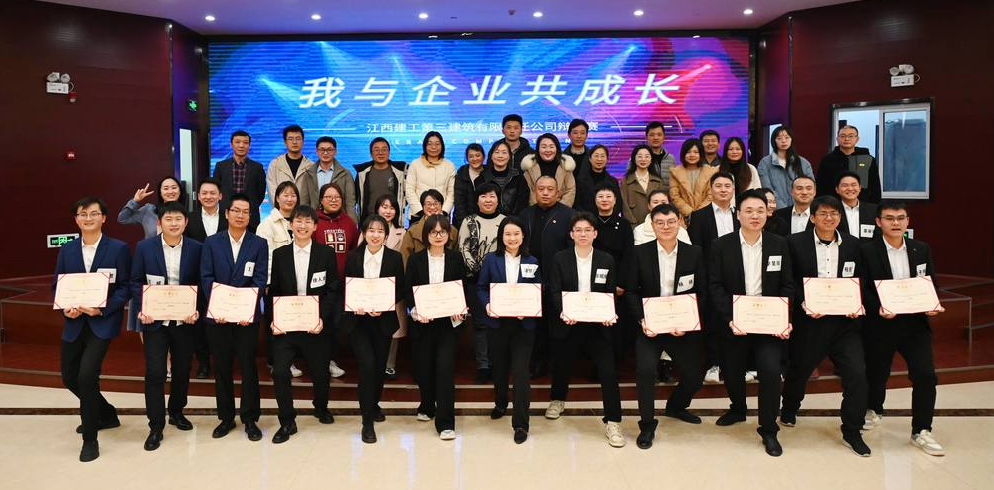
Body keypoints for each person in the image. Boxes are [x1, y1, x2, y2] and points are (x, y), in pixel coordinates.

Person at [781, 196, 871, 456]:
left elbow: (861, 280)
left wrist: (857, 302)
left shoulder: (854, 245)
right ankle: (790, 407)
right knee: (799, 371)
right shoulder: (794, 243)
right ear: (812, 218)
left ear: (840, 218)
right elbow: (789, 280)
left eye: (834, 214)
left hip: (845, 323)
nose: (829, 218)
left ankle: (852, 430)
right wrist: (804, 303)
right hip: (810, 321)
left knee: (857, 375)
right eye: (823, 213)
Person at [709, 189, 794, 457]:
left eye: (760, 211)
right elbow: (715, 286)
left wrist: (784, 317)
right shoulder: (721, 245)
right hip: (735, 322)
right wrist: (731, 318)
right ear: (738, 215)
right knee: (732, 371)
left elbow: (788, 285)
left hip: (768, 323)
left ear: (768, 213)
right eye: (749, 211)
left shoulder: (779, 244)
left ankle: (768, 429)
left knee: (770, 371)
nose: (755, 216)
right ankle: (738, 409)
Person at [860, 201, 946, 456]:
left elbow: (930, 282)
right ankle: (874, 409)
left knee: (925, 375)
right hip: (881, 324)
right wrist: (878, 307)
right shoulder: (867, 251)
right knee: (877, 373)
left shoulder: (921, 249)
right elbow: (863, 288)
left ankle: (922, 430)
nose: (895, 223)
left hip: (915, 325)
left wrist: (932, 304)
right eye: (889, 218)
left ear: (908, 221)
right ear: (879, 222)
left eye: (900, 218)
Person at [626, 203, 708, 449]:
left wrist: (688, 321)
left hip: (681, 326)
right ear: (652, 226)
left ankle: (676, 406)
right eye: (659, 223)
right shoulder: (640, 253)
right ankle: (647, 425)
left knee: (695, 375)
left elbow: (702, 292)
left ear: (679, 223)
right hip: (650, 326)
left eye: (671, 222)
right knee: (645, 372)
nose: (666, 227)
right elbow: (630, 291)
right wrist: (641, 319)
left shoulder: (694, 253)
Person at [55, 197, 130, 462]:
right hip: (74, 323)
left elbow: (125, 287)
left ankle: (90, 439)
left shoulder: (118, 249)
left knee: (87, 377)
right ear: (76, 219)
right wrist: (65, 307)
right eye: (83, 214)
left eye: (94, 213)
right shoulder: (67, 250)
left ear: (103, 218)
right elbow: (58, 284)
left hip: (101, 322)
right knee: (69, 377)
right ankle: (106, 413)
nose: (88, 218)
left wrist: (102, 309)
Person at [546, 212, 625, 448]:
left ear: (595, 233)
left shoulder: (606, 259)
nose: (583, 234)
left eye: (587, 230)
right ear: (571, 234)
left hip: (598, 325)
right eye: (578, 230)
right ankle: (558, 399)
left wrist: (609, 313)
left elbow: (609, 292)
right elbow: (554, 291)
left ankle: (613, 421)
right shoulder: (560, 258)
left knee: (608, 372)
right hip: (569, 321)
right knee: (561, 363)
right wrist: (563, 312)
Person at [130, 202, 202, 452]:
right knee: (155, 373)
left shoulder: (197, 248)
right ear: (160, 223)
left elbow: (201, 283)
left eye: (178, 218)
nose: (174, 223)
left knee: (182, 369)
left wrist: (196, 309)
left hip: (185, 321)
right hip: (155, 322)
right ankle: (155, 425)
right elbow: (136, 281)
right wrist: (143, 307)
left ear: (185, 222)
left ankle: (177, 412)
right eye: (168, 219)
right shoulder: (145, 247)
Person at [268, 205, 340, 444]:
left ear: (315, 226)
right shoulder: (280, 255)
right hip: (287, 326)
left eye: (308, 221)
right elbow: (274, 292)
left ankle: (320, 407)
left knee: (320, 372)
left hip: (315, 325)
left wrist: (322, 319)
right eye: (298, 221)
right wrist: (275, 320)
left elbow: (332, 290)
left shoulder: (325, 254)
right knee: (280, 371)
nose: (302, 225)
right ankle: (287, 421)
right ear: (291, 225)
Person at [200, 193, 268, 442]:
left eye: (245, 211)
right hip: (218, 317)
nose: (241, 215)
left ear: (250, 216)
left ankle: (250, 418)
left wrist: (245, 308)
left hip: (246, 318)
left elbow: (260, 279)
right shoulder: (212, 243)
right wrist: (219, 306)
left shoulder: (259, 243)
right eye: (236, 210)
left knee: (248, 366)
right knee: (222, 367)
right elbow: (206, 277)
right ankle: (226, 418)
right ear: (227, 213)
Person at [342, 215, 406, 444]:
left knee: (379, 368)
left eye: (380, 231)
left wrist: (384, 304)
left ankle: (374, 404)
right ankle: (366, 421)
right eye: (371, 230)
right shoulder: (353, 257)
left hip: (383, 321)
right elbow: (347, 287)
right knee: (367, 365)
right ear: (364, 233)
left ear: (386, 236)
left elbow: (400, 289)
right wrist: (355, 305)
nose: (375, 235)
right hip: (358, 322)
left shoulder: (394, 258)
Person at [476, 216, 540, 443]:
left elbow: (538, 289)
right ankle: (501, 402)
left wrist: (529, 307)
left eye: (516, 234)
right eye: (508, 234)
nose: (512, 238)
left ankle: (521, 424)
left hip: (523, 326)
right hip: (497, 323)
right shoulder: (491, 260)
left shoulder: (533, 260)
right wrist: (488, 305)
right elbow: (481, 287)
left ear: (523, 236)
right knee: (500, 368)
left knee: (521, 373)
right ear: (501, 237)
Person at [406, 215, 468, 441]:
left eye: (443, 231)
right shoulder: (415, 260)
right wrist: (415, 311)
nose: (438, 235)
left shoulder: (456, 258)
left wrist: (460, 308)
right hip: (423, 323)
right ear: (426, 235)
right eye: (434, 232)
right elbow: (408, 291)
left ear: (448, 235)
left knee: (445, 369)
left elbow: (462, 288)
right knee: (424, 369)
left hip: (448, 325)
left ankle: (446, 423)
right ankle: (427, 405)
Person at [519, 176, 575, 378]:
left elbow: (572, 250)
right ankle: (539, 362)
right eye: (541, 188)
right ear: (534, 191)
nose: (545, 192)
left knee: (558, 324)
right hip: (531, 280)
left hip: (558, 280)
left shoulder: (569, 215)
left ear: (558, 192)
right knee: (536, 325)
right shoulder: (525, 214)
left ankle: (559, 365)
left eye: (550, 189)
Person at [688, 172, 740, 384]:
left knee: (737, 319)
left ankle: (737, 365)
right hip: (711, 276)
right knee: (713, 321)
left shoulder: (741, 213)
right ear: (710, 190)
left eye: (727, 185)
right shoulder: (699, 216)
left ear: (733, 189)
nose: (723, 189)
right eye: (718, 186)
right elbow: (696, 250)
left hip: (739, 275)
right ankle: (713, 364)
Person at [458, 183, 506, 384]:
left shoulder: (505, 221)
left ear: (498, 199)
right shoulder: (469, 221)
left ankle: (498, 363)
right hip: (475, 281)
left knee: (499, 324)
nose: (488, 200)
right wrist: (480, 271)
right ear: (477, 200)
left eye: (492, 196)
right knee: (479, 324)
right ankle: (483, 366)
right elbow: (463, 249)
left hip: (501, 283)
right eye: (484, 196)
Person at [257, 181, 303, 377]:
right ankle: (275, 362)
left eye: (293, 195)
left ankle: (289, 360)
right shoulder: (267, 224)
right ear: (276, 198)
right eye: (285, 195)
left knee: (294, 322)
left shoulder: (301, 221)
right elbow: (264, 256)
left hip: (297, 282)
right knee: (275, 324)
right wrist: (268, 282)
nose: (289, 199)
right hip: (275, 284)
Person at [314, 182, 358, 379]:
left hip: (341, 285)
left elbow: (354, 251)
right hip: (318, 285)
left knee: (335, 324)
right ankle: (317, 361)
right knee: (319, 322)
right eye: (329, 197)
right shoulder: (314, 221)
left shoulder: (349, 223)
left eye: (337, 197)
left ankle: (330, 360)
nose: (333, 200)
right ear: (321, 200)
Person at [185, 178, 226, 379]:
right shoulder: (189, 219)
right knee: (199, 324)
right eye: (204, 193)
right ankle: (203, 363)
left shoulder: (228, 217)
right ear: (198, 196)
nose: (208, 196)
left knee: (222, 322)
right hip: (195, 278)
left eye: (212, 193)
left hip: (224, 279)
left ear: (220, 196)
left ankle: (223, 362)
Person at [364, 194, 407, 380]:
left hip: (393, 287)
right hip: (369, 287)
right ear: (377, 208)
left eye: (392, 207)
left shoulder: (402, 233)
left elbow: (404, 261)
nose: (388, 211)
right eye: (384, 206)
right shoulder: (366, 230)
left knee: (393, 327)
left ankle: (389, 364)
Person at [591, 184, 636, 361]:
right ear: (595, 200)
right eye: (600, 196)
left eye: (608, 196)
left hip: (616, 282)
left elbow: (628, 255)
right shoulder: (589, 223)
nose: (604, 200)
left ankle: (615, 360)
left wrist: (621, 283)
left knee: (615, 323)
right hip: (592, 281)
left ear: (615, 200)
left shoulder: (624, 225)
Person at [214, 130, 266, 231]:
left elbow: (260, 194)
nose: (241, 145)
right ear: (231, 144)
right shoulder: (221, 166)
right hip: (225, 217)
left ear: (249, 145)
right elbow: (216, 190)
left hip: (250, 217)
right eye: (237, 142)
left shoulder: (257, 167)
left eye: (245, 143)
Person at [816, 125, 881, 203]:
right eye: (843, 136)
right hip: (833, 205)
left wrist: (874, 206)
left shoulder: (867, 159)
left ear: (857, 139)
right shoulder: (827, 160)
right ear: (837, 139)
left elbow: (875, 186)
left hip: (862, 204)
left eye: (851, 136)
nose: (846, 139)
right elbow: (821, 186)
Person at [757, 126, 813, 209]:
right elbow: (767, 189)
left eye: (787, 137)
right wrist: (784, 209)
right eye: (779, 138)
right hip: (776, 209)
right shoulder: (765, 163)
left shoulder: (803, 163)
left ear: (791, 139)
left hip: (801, 208)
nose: (783, 141)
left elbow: (810, 188)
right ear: (774, 141)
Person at [405, 131, 457, 222]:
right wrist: (421, 211)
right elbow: (409, 190)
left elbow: (451, 192)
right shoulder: (415, 164)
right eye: (430, 144)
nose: (434, 147)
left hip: (442, 215)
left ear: (442, 146)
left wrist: (444, 211)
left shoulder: (449, 165)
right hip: (418, 215)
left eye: (437, 144)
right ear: (425, 146)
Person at [304, 136, 357, 222]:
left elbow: (350, 203)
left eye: (329, 150)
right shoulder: (308, 174)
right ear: (317, 151)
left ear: (335, 151)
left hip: (339, 220)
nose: (325, 153)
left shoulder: (345, 174)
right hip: (315, 220)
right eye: (322, 150)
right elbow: (304, 202)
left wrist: (352, 224)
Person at [355, 137, 407, 223]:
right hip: (369, 220)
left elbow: (405, 197)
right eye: (376, 150)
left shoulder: (400, 172)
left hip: (393, 220)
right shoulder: (362, 174)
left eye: (384, 149)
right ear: (371, 154)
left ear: (389, 152)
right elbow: (356, 198)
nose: (380, 153)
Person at [399, 190, 458, 265]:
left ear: (441, 206)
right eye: (428, 204)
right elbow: (405, 257)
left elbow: (456, 257)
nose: (432, 207)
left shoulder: (452, 230)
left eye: (436, 204)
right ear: (423, 206)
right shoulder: (412, 231)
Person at [118, 175, 188, 239]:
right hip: (151, 248)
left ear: (180, 191)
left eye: (174, 188)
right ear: (160, 192)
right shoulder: (149, 210)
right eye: (166, 188)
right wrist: (135, 201)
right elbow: (123, 219)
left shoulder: (187, 214)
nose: (170, 191)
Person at [520, 132, 577, 207]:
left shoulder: (566, 166)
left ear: (557, 148)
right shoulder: (530, 166)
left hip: (561, 209)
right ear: (538, 149)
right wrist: (537, 208)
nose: (548, 150)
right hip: (535, 209)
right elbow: (528, 191)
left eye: (551, 147)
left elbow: (570, 190)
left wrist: (560, 210)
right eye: (544, 147)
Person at [267, 124, 316, 208]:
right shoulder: (275, 164)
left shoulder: (311, 166)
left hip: (303, 213)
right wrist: (281, 210)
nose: (294, 142)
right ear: (285, 142)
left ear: (303, 141)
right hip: (281, 212)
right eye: (290, 139)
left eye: (298, 139)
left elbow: (313, 194)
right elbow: (272, 192)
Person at [670, 138, 719, 218]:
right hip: (683, 216)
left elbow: (711, 195)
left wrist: (699, 213)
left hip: (705, 215)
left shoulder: (711, 172)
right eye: (688, 152)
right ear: (683, 154)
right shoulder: (675, 172)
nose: (692, 155)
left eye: (696, 152)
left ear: (701, 154)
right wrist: (690, 212)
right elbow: (675, 196)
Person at [479, 140, 529, 217]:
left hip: (513, 221)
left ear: (509, 156)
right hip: (488, 220)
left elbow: (522, 203)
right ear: (491, 156)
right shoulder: (482, 177)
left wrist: (511, 220)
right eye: (497, 152)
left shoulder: (518, 177)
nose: (500, 156)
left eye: (504, 152)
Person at [621, 144, 666, 227]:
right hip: (633, 224)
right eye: (640, 156)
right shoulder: (626, 181)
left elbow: (662, 205)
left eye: (647, 156)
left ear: (651, 159)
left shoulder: (658, 181)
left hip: (655, 224)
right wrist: (632, 223)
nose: (643, 159)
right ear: (634, 159)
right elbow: (624, 205)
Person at [574, 144, 622, 215]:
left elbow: (618, 204)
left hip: (608, 219)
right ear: (590, 159)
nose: (599, 159)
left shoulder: (613, 181)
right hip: (587, 219)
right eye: (596, 156)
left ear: (607, 159)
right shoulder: (580, 180)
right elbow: (577, 204)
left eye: (602, 156)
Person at [836, 171, 880, 242]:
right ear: (837, 190)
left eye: (853, 185)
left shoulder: (874, 210)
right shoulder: (833, 211)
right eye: (845, 185)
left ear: (860, 188)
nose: (850, 189)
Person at [453, 143, 486, 228]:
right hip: (463, 220)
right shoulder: (461, 174)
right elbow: (459, 203)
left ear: (483, 157)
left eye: (477, 155)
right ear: (467, 159)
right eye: (471, 156)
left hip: (485, 220)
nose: (474, 159)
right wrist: (466, 225)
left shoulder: (489, 173)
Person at [644, 121, 676, 188]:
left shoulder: (670, 159)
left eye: (659, 135)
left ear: (664, 137)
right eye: (652, 135)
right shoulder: (638, 158)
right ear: (646, 137)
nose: (655, 138)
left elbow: (674, 183)